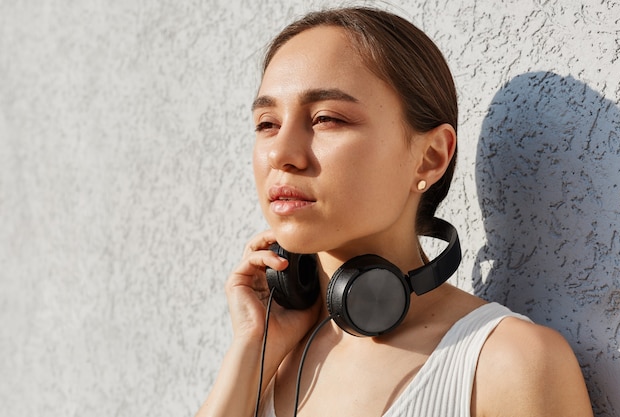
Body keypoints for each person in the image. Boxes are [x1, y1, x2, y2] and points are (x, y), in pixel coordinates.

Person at [196, 7, 593, 417]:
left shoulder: (510, 363)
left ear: (429, 157)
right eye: (267, 123)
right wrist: (250, 350)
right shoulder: (266, 356)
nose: (281, 153)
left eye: (326, 118)